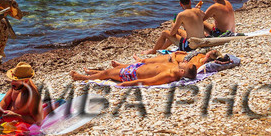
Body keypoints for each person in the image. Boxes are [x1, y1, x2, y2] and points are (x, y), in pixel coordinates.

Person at [70, 50, 217, 85]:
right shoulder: (174, 67)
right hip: (138, 67)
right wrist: (176, 54)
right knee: (110, 71)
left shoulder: (169, 76)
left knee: (109, 73)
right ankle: (95, 72)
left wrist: (127, 84)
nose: (185, 61)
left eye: (186, 63)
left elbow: (147, 82)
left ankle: (83, 77)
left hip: (132, 74)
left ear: (182, 71)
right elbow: (173, 58)